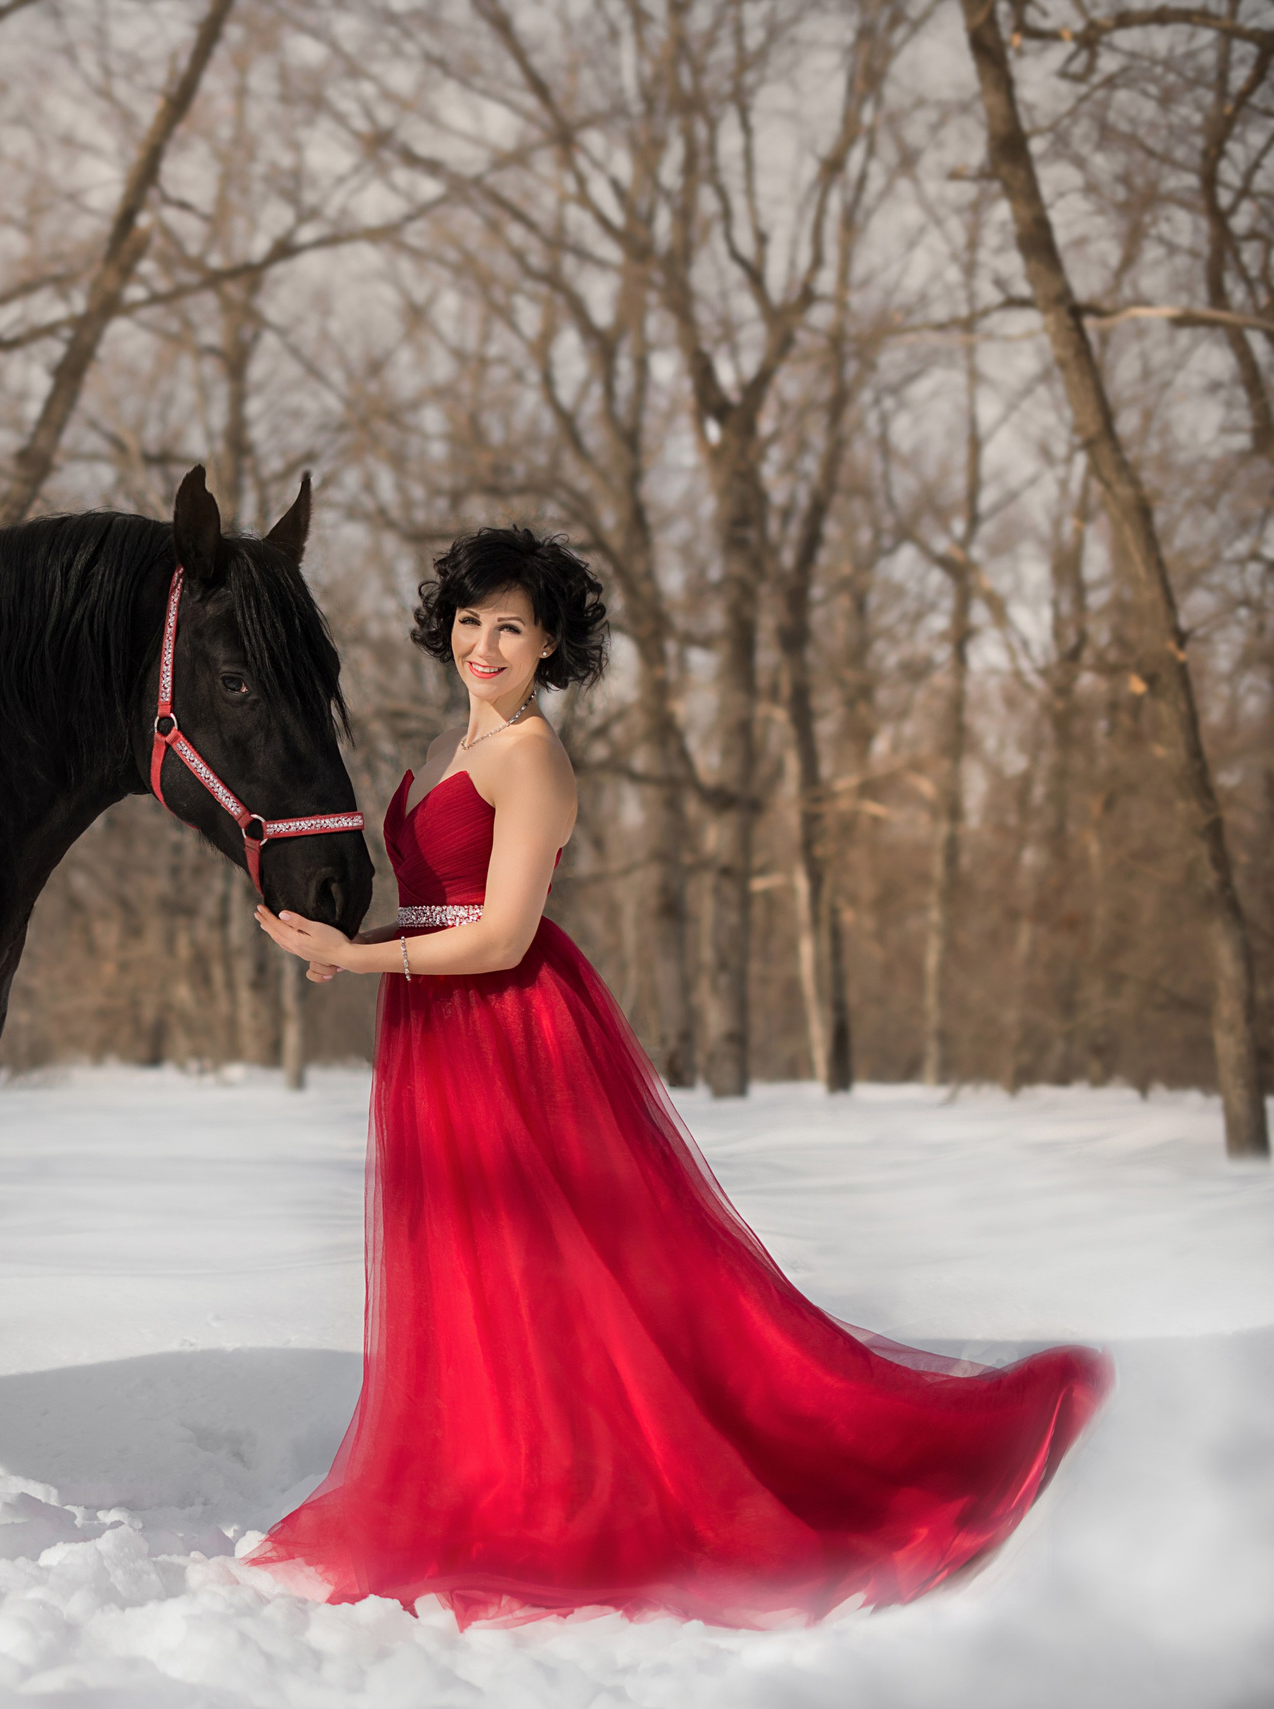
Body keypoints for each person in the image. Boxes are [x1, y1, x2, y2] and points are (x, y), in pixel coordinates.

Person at [248, 525, 1108, 1628]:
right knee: (472, 1265)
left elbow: (504, 935)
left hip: (510, 1027)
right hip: (435, 1028)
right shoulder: (455, 741)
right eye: (469, 619)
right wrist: (335, 941)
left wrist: (363, 956)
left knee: (570, 1266)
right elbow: (436, 902)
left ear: (550, 640)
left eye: (511, 623)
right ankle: (514, 1465)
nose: (485, 642)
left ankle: (637, 1480)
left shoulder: (530, 755)